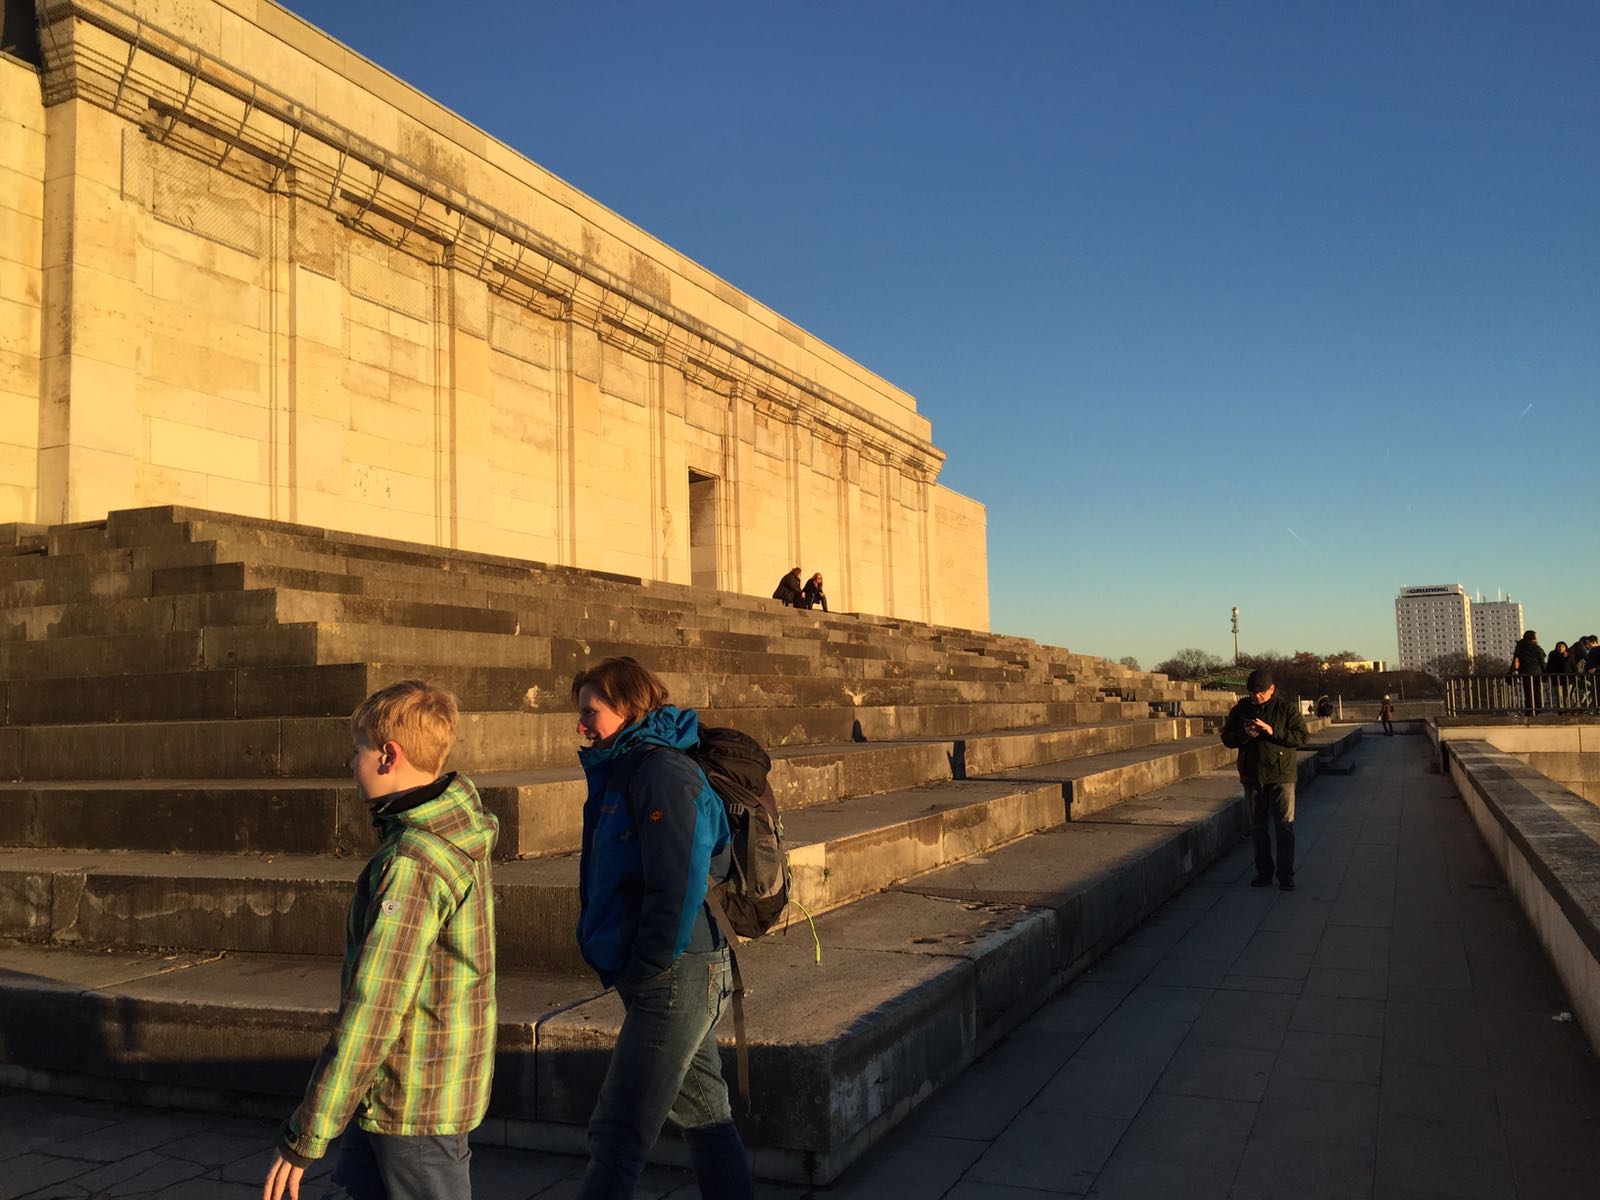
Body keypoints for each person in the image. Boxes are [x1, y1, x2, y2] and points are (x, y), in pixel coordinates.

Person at [264, 680, 498, 1200]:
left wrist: (308, 1132)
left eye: (359, 751)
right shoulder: (454, 830)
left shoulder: (412, 862)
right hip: (410, 1089)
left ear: (389, 755)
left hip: (412, 1103)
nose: (352, 765)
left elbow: (376, 1005)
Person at [572, 656, 755, 1199]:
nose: (581, 724)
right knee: (706, 1114)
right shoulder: (630, 765)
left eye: (591, 711)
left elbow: (678, 877)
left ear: (627, 707)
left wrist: (649, 963)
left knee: (618, 1134)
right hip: (674, 970)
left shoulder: (660, 771)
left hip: (677, 972)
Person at [1220, 668, 1310, 892]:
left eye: (1260, 692)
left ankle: (1286, 875)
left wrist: (1272, 730)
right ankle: (1263, 873)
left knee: (1284, 827)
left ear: (1272, 689)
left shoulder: (1285, 708)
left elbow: (1301, 736)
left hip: (1281, 774)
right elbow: (1227, 737)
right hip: (1253, 775)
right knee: (1258, 828)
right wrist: (1245, 735)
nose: (1255, 696)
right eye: (1252, 692)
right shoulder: (1241, 709)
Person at [1511, 630, 1544, 714]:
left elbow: (1516, 659)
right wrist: (1545, 672)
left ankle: (1529, 709)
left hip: (1525, 672)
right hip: (1536, 672)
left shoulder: (1520, 646)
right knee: (1536, 691)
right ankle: (1537, 708)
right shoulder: (1536, 647)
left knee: (1527, 692)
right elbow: (1541, 660)